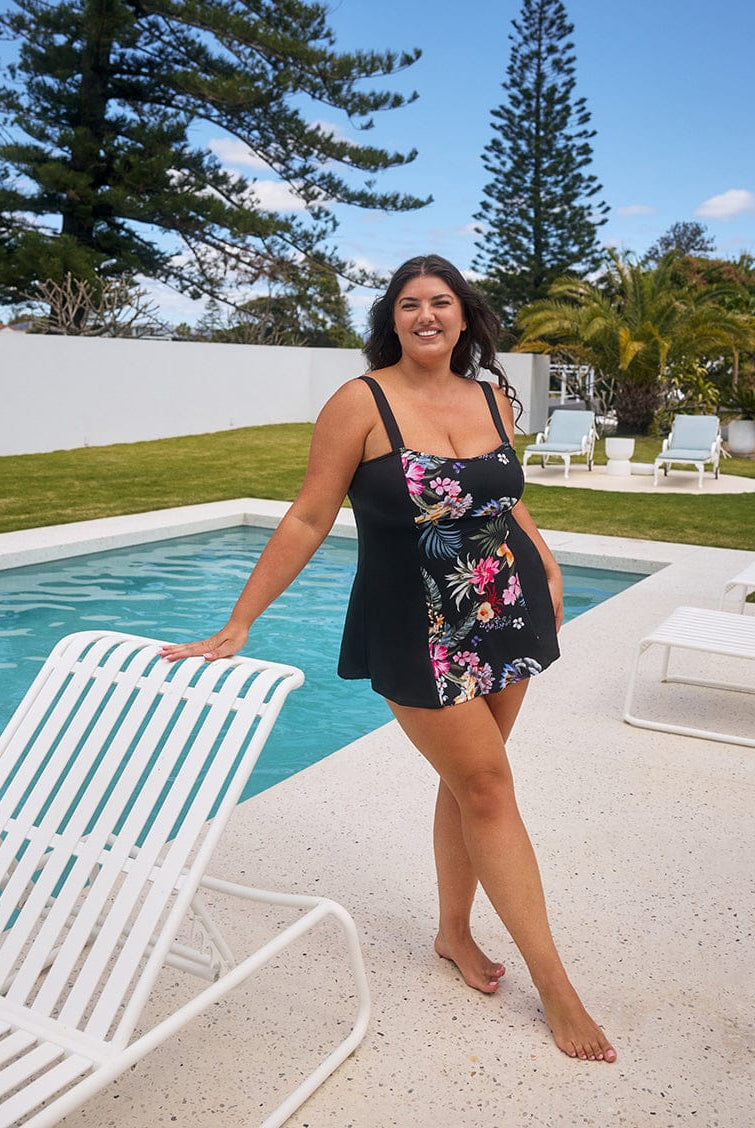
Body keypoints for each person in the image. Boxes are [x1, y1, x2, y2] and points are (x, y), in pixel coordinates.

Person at [160, 254, 617, 1064]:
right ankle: (555, 984)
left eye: (440, 302)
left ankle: (450, 932)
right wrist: (240, 623)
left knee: (471, 782)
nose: (425, 316)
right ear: (392, 319)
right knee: (485, 784)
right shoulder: (359, 402)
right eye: (409, 305)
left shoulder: (493, 396)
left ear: (464, 315)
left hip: (499, 607)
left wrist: (542, 559)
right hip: (415, 624)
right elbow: (307, 516)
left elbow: (501, 497)